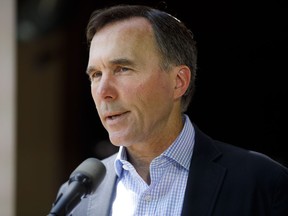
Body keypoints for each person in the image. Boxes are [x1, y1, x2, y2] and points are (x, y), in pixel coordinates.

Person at [57, 4, 288, 216]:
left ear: (178, 81)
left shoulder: (263, 183)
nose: (103, 91)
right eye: (96, 74)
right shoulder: (75, 196)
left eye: (123, 69)